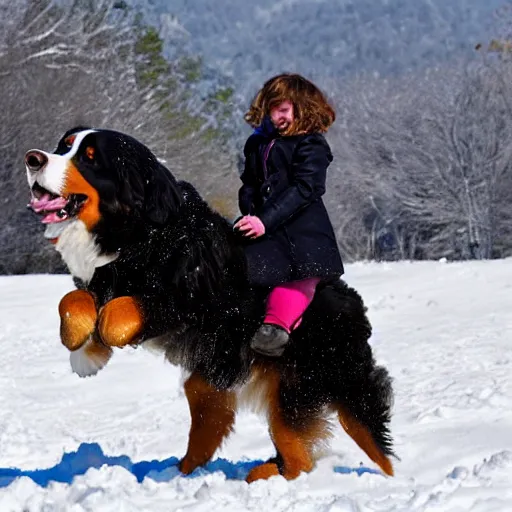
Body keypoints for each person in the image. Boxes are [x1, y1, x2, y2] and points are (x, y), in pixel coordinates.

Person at [234, 73, 344, 357]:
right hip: (262, 228)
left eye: (282, 110)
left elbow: (306, 188)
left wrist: (264, 220)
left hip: (303, 232)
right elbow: (250, 183)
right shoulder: (257, 144)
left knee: (300, 276)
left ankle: (276, 328)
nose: (276, 117)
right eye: (272, 110)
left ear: (302, 107)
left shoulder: (311, 144)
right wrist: (249, 212)